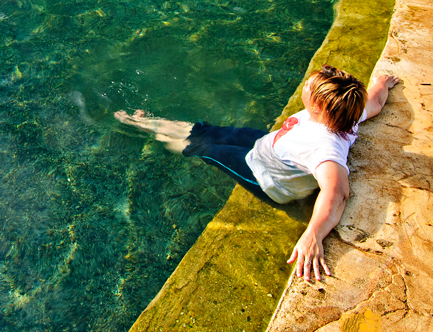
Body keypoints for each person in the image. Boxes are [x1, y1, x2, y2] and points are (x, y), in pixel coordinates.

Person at [114, 65, 398, 282]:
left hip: (263, 174)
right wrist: (381, 84)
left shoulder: (325, 147)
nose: (306, 85)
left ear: (317, 106)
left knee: (202, 147)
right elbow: (374, 103)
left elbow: (337, 191)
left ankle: (150, 132)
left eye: (309, 87)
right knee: (209, 131)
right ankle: (152, 123)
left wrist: (314, 234)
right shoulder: (346, 113)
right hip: (268, 145)